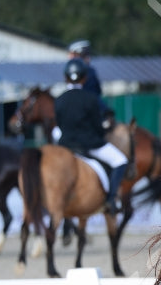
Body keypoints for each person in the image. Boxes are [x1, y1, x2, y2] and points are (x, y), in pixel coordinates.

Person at [54, 58, 128, 215]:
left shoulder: (59, 100)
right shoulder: (91, 99)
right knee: (120, 161)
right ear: (84, 78)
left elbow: (60, 125)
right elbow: (97, 127)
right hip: (89, 145)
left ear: (65, 77)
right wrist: (102, 131)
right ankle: (111, 200)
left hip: (66, 146)